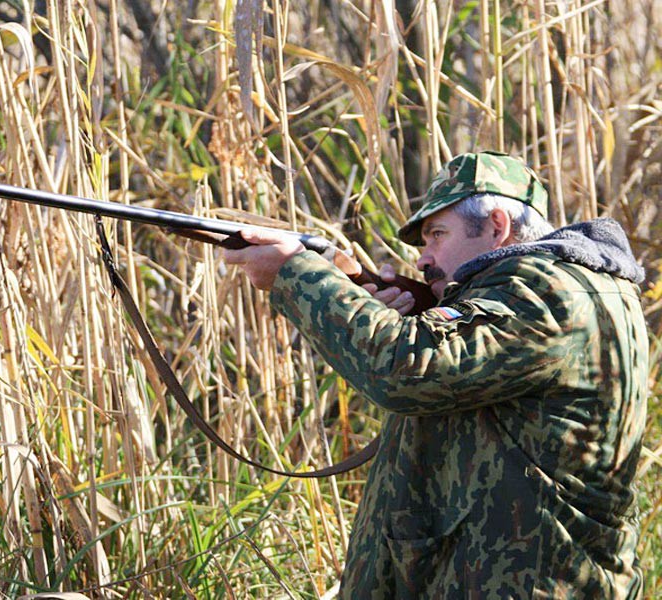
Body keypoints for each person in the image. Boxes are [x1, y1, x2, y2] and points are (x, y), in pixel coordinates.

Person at [224, 151, 648, 598]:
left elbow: (408, 368)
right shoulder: (563, 287)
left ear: (497, 226)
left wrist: (299, 276)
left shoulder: (546, 293)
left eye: (437, 235)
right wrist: (370, 299)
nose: (424, 258)